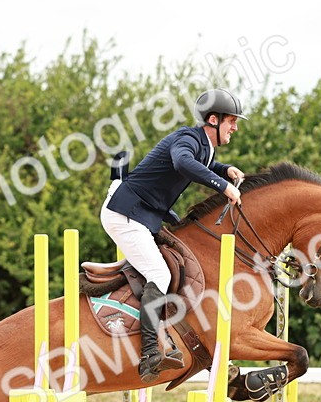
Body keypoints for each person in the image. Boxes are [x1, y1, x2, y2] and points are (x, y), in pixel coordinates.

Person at [100, 88, 248, 383]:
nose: (235, 127)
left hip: (143, 214)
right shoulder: (188, 139)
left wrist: (225, 169)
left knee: (177, 263)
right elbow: (182, 163)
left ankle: (189, 344)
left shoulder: (205, 147)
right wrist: (223, 186)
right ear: (214, 119)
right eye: (232, 121)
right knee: (159, 272)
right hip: (125, 213)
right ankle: (150, 353)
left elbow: (202, 163)